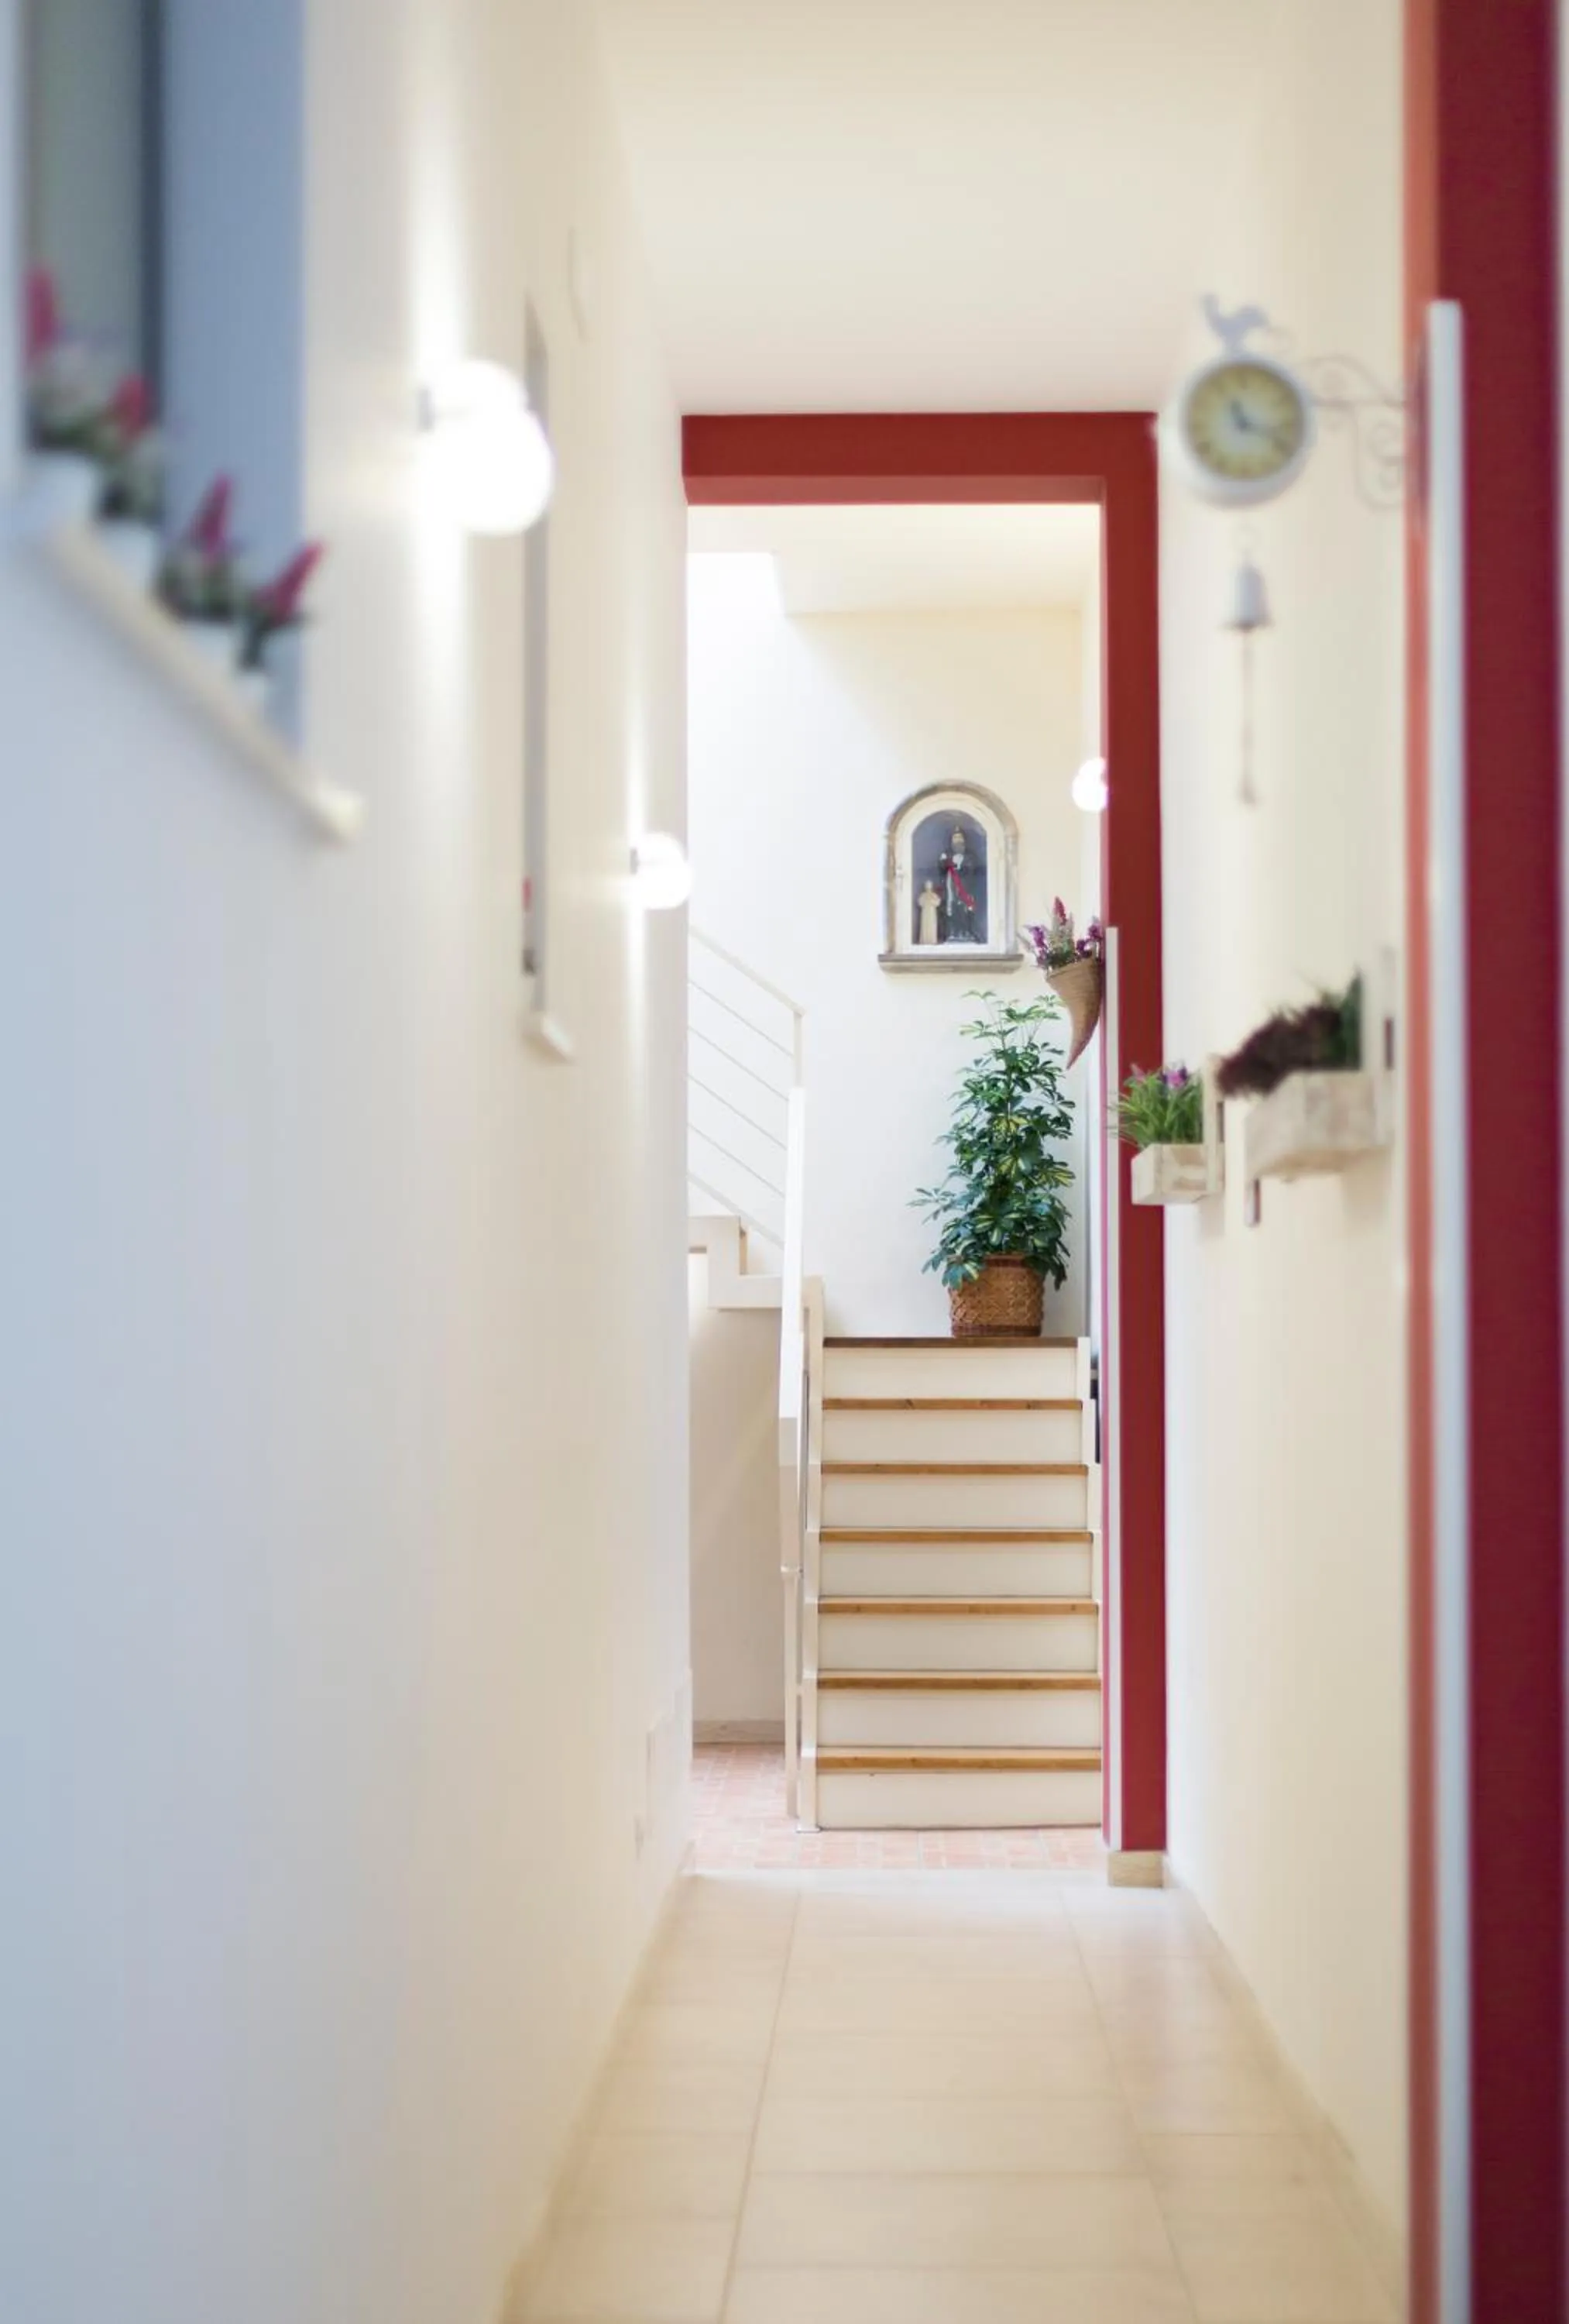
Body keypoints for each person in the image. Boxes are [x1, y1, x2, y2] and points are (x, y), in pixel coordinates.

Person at [939, 827, 985, 943]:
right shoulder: (947, 854)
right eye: (955, 838)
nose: (958, 840)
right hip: (951, 887)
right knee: (953, 909)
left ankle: (966, 932)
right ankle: (953, 933)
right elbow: (941, 870)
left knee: (966, 909)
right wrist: (944, 862)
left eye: (960, 838)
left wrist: (961, 870)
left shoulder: (970, 856)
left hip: (966, 886)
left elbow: (974, 869)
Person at [916, 878, 942, 947]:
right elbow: (920, 902)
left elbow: (938, 902)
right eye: (927, 886)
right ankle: (924, 940)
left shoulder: (934, 895)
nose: (928, 888)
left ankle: (932, 940)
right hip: (925, 912)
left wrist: (931, 902)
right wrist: (926, 903)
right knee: (925, 926)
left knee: (932, 926)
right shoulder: (923, 895)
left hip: (931, 912)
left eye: (929, 886)